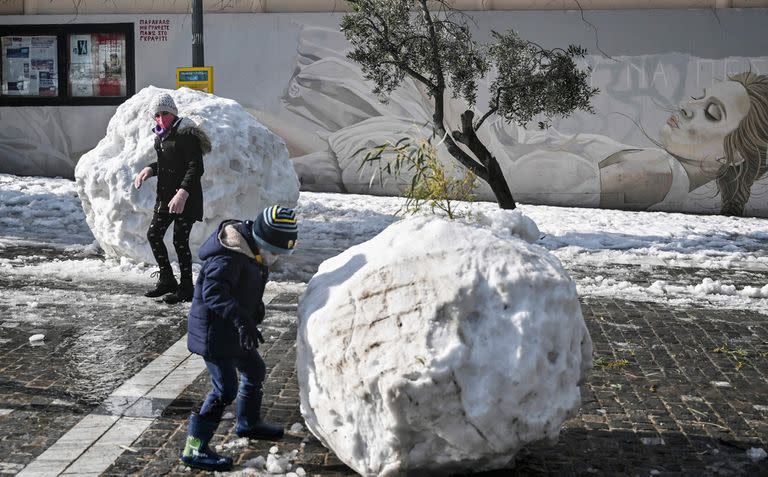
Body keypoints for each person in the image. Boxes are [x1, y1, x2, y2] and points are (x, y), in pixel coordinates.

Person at [259, 25, 768, 216]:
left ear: (734, 154)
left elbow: (513, 173)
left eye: (711, 112)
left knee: (307, 153)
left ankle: (201, 115)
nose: (686, 107)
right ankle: (202, 116)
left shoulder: (648, 175)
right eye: (700, 96)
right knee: (304, 151)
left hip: (429, 161)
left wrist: (452, 114)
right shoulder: (655, 165)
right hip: (439, 156)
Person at [180, 205, 298, 472]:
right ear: (261, 239)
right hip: (214, 334)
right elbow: (213, 294)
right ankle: (194, 448)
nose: (274, 257)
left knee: (255, 370)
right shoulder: (229, 257)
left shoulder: (252, 252)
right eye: (273, 250)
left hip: (234, 330)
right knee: (225, 389)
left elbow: (246, 286)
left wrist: (253, 310)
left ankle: (248, 423)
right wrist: (242, 319)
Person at [134, 92, 210, 304]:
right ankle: (167, 279)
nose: (160, 119)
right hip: (166, 197)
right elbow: (170, 165)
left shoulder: (186, 135)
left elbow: (195, 168)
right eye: (156, 115)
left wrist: (183, 192)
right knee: (154, 235)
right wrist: (150, 169)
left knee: (179, 241)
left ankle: (186, 288)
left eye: (164, 114)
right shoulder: (161, 135)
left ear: (174, 112)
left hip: (186, 197)